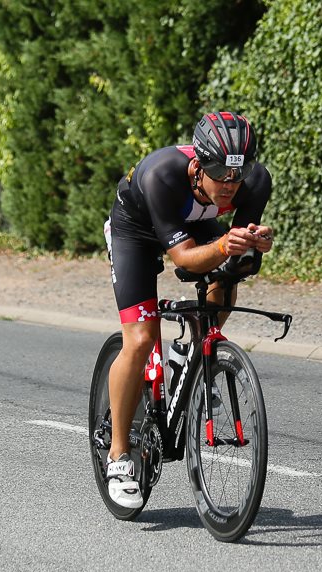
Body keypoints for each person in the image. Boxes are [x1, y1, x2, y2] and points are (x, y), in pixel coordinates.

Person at [102, 111, 274, 508]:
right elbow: (184, 258)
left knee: (229, 277)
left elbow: (237, 255)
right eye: (222, 176)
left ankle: (195, 355)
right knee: (142, 339)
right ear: (198, 166)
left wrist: (251, 246)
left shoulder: (256, 181)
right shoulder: (161, 175)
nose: (232, 186)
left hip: (196, 229)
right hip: (136, 229)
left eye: (239, 176)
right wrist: (224, 247)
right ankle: (118, 456)